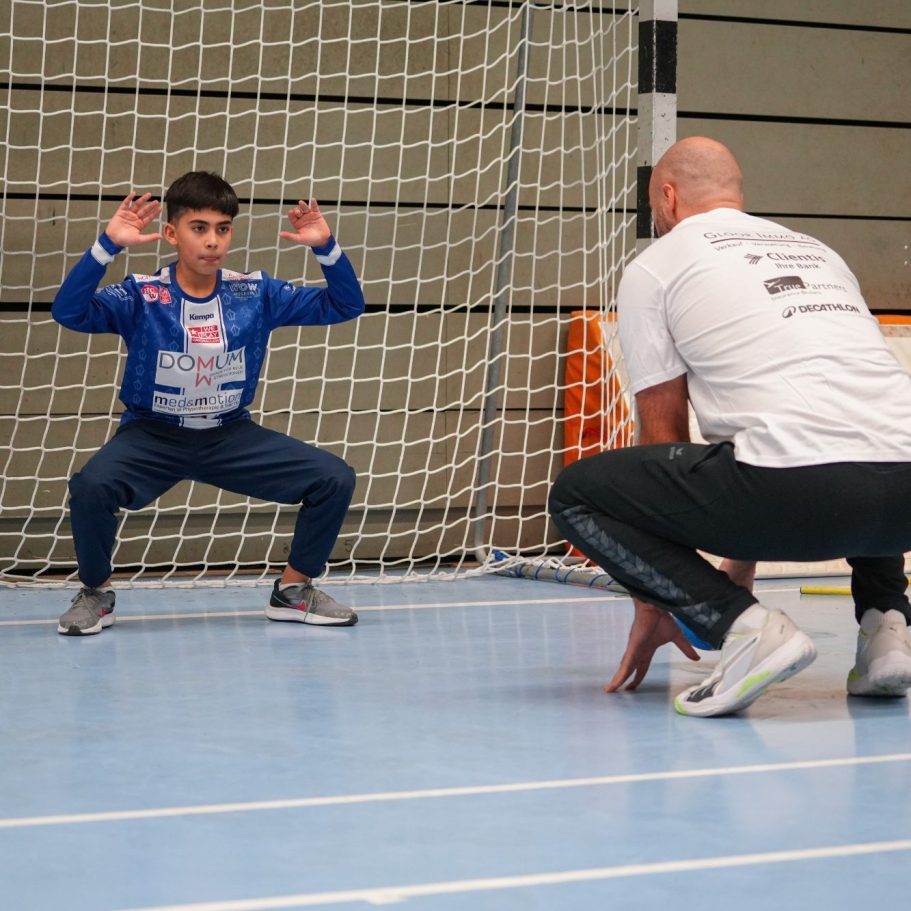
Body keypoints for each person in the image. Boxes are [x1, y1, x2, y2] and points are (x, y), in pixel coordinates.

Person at [548, 136, 911, 717]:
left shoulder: (655, 267)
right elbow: (819, 419)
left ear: (667, 198)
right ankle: (886, 630)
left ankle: (748, 631)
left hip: (800, 492)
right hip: (901, 501)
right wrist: (743, 557)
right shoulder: (817, 251)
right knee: (864, 427)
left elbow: (664, 436)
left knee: (578, 493)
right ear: (736, 194)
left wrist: (666, 597)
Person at [52, 171, 365, 635]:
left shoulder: (255, 292)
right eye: (199, 228)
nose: (213, 241)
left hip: (229, 435)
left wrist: (326, 249)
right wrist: (107, 246)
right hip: (152, 436)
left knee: (334, 478)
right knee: (91, 487)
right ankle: (96, 593)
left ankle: (293, 590)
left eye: (223, 228)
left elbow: (346, 305)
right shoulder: (143, 295)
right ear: (172, 233)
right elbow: (68, 311)